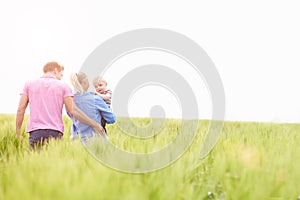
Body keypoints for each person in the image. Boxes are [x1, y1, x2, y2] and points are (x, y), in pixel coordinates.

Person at [16, 61, 105, 149]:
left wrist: (18, 133)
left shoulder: (29, 84)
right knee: (54, 162)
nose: (61, 77)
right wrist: (94, 124)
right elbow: (73, 110)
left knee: (35, 161)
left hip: (35, 132)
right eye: (61, 74)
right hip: (55, 132)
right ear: (55, 70)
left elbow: (21, 109)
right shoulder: (64, 86)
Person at [69, 72, 115, 144]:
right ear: (84, 82)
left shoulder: (70, 101)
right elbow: (111, 119)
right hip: (97, 140)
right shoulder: (96, 99)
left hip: (77, 141)